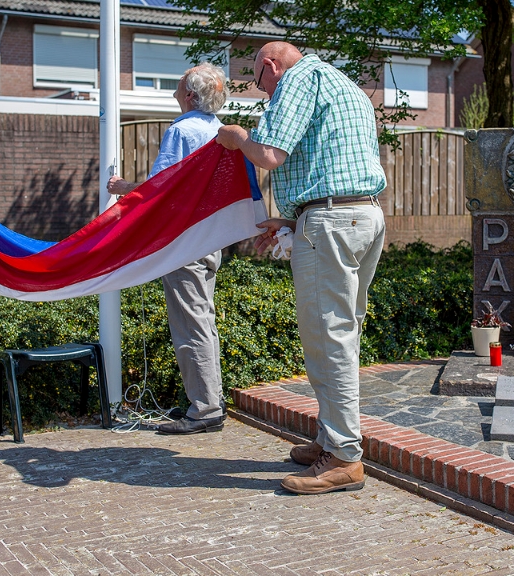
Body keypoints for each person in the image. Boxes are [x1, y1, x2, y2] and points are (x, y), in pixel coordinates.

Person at [216, 42, 386, 494]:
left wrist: (236, 138)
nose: (263, 91)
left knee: (328, 340)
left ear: (271, 67)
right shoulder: (342, 83)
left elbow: (269, 154)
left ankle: (344, 457)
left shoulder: (296, 79)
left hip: (330, 223)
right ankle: (332, 437)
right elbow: (331, 162)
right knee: (341, 334)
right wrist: (291, 219)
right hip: (363, 216)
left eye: (258, 81)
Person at [107, 63, 230, 435]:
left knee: (190, 323)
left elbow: (162, 188)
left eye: (179, 87)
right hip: (211, 239)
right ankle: (210, 399)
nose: (175, 93)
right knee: (203, 320)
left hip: (186, 242)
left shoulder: (182, 130)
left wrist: (123, 187)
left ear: (190, 95)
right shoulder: (219, 131)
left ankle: (205, 408)